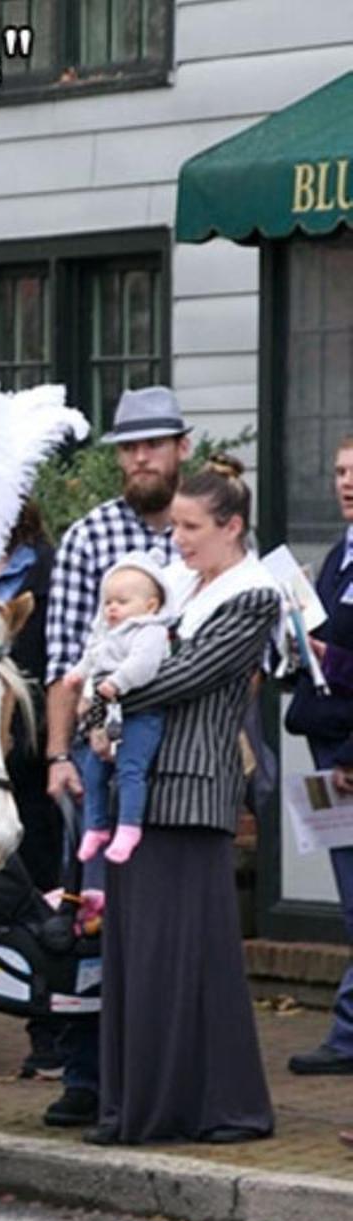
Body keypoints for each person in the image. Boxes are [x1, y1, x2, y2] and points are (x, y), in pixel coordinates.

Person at [85, 457, 281, 1147]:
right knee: (139, 955)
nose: (179, 540)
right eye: (174, 527)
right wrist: (96, 709)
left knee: (188, 955)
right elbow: (114, 654)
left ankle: (222, 1105)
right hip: (138, 791)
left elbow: (188, 675)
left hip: (194, 788)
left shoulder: (253, 594)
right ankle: (141, 1103)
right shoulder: (182, 587)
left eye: (192, 527)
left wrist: (105, 692)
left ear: (232, 526)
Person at [39, 386, 191, 1129]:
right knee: (90, 912)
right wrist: (57, 754)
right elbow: (64, 656)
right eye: (128, 447)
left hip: (182, 757)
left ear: (180, 449)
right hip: (98, 759)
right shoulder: (89, 536)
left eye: (153, 444)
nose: (139, 457)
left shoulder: (202, 535)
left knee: (171, 919)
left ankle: (163, 1070)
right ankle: (85, 1073)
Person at [283, 435, 353, 1078]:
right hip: (327, 746)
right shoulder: (339, 555)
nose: (346, 482)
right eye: (337, 471)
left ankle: (347, 1034)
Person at [62, 553, 176, 866]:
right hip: (109, 715)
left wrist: (118, 681)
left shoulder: (150, 631)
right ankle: (96, 826)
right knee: (93, 771)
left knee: (130, 770)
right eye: (108, 601)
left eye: (122, 601)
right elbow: (92, 657)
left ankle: (128, 827)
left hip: (140, 715)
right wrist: (77, 674)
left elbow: (144, 664)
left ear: (151, 605)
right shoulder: (105, 634)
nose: (112, 608)